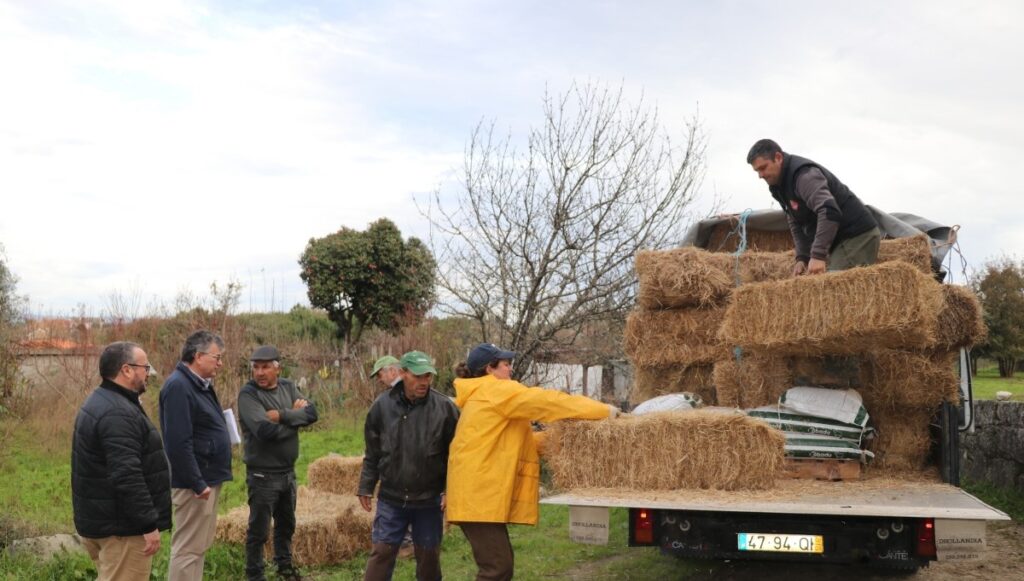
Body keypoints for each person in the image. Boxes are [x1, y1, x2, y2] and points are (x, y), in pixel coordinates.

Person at [446, 343, 620, 581]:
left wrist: (557, 439)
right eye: (506, 365)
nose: (510, 370)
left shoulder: (483, 395)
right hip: (477, 497)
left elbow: (511, 444)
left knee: (500, 566)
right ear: (490, 369)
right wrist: (602, 411)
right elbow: (548, 402)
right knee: (497, 569)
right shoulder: (495, 391)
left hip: (477, 495)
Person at [72, 341, 171, 581]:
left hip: (106, 521)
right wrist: (148, 524)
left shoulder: (104, 400)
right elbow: (126, 474)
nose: (148, 373)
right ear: (127, 370)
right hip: (122, 529)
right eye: (145, 367)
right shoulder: (117, 412)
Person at [357, 351, 460, 581]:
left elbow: (457, 456)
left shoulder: (445, 408)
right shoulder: (381, 407)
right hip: (391, 498)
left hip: (429, 501)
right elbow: (372, 452)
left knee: (429, 558)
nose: (424, 382)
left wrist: (449, 489)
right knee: (382, 553)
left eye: (428, 376)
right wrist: (366, 485)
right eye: (417, 376)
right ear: (403, 373)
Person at [238, 346, 318, 581]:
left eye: (265, 367)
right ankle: (254, 574)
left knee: (286, 525)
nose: (260, 373)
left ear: (277, 368)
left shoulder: (288, 386)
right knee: (259, 531)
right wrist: (295, 419)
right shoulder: (248, 394)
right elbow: (264, 431)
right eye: (256, 367)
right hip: (263, 475)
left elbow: (313, 413)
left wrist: (283, 415)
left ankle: (284, 567)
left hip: (288, 473)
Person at [159, 330, 233, 581]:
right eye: (217, 357)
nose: (220, 363)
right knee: (188, 548)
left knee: (198, 546)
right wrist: (196, 481)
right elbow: (177, 442)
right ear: (198, 356)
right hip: (194, 484)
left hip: (206, 479)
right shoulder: (179, 386)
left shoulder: (198, 385)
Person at [747, 139, 881, 275]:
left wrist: (817, 255)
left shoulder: (804, 176)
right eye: (757, 171)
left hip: (856, 236)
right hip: (839, 241)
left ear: (778, 158)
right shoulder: (778, 186)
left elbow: (829, 211)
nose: (760, 175)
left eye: (763, 168)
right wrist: (802, 257)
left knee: (831, 289)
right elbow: (794, 220)